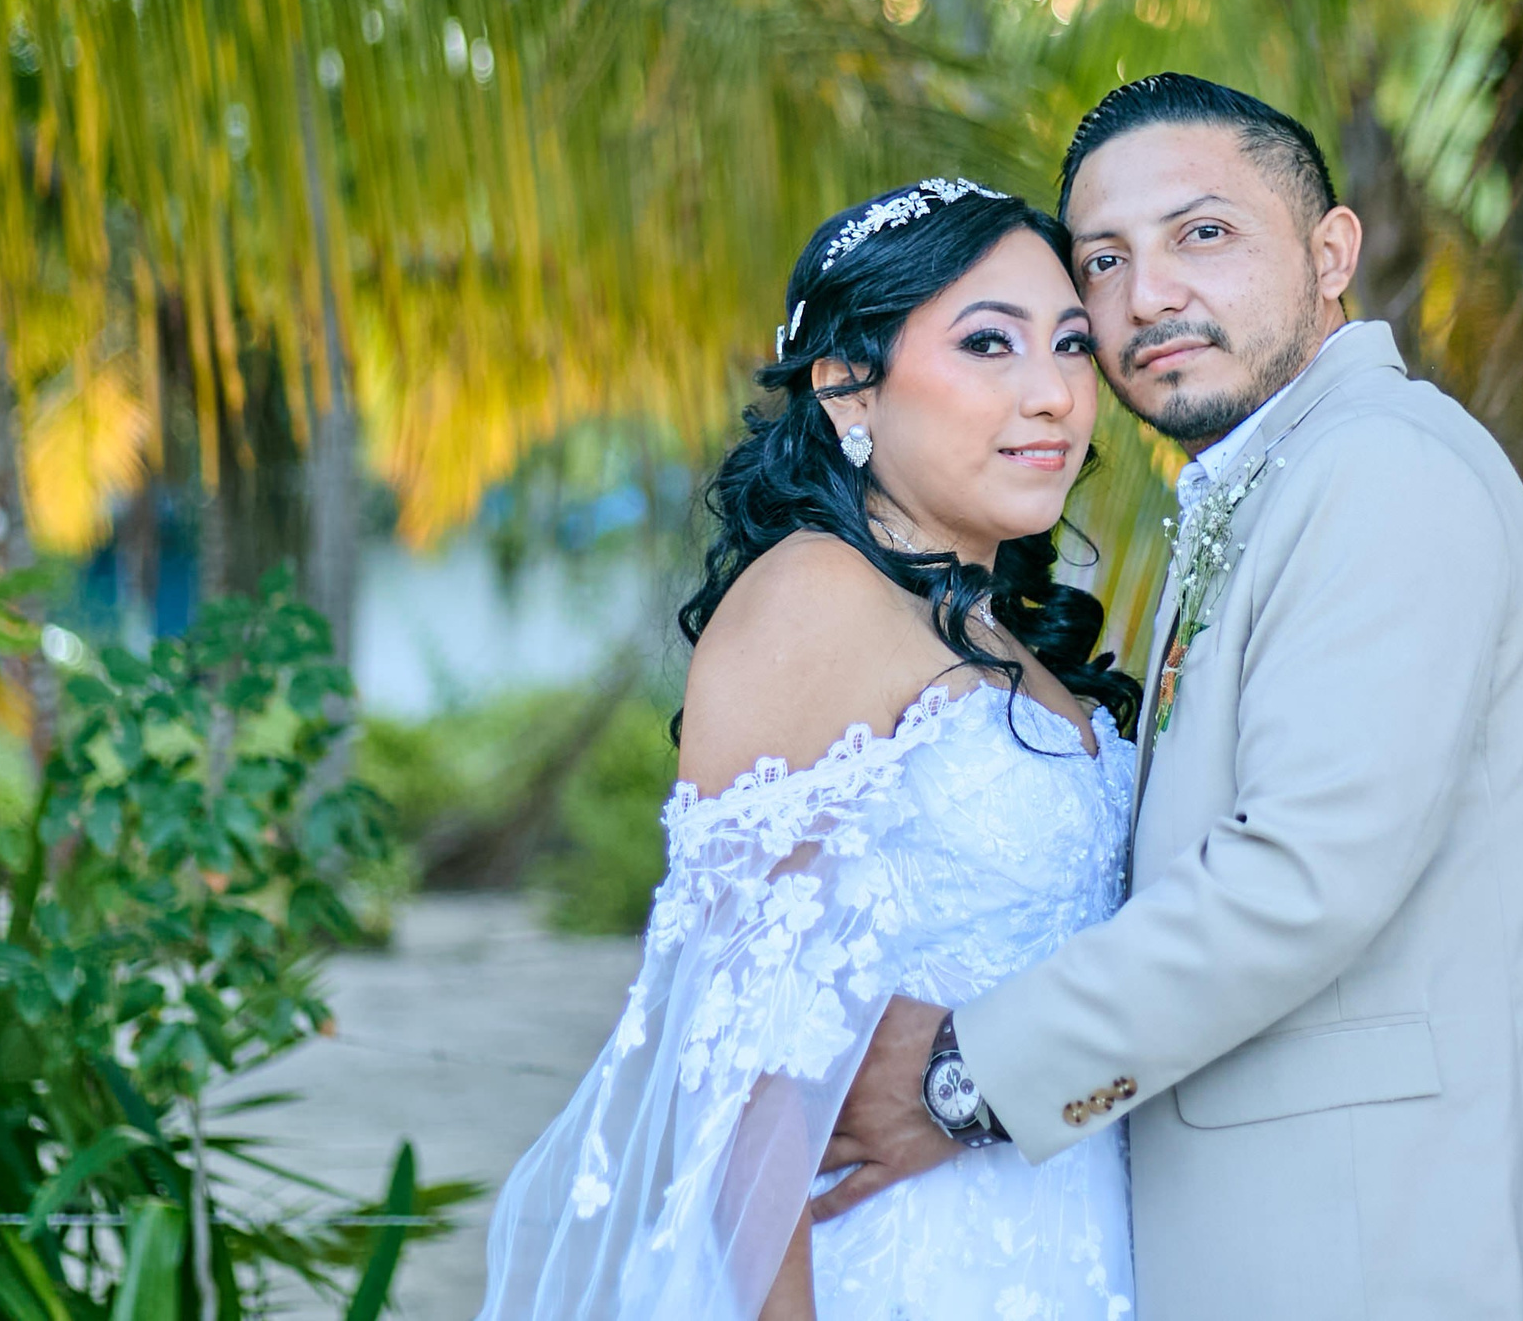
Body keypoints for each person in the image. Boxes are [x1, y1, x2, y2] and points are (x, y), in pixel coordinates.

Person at [815, 75, 1523, 1318]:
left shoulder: (1378, 469)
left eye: (1203, 233)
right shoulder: (1282, 472)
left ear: (1330, 250)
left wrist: (963, 1077)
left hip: (1377, 1252)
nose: (1151, 297)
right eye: (1105, 261)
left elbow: (1298, 878)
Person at [474, 178, 1146, 1320]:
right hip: (894, 1265)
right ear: (847, 387)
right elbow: (742, 1073)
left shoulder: (993, 626)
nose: (1052, 394)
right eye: (989, 343)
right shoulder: (814, 600)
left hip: (1060, 1240)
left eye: (1072, 344)